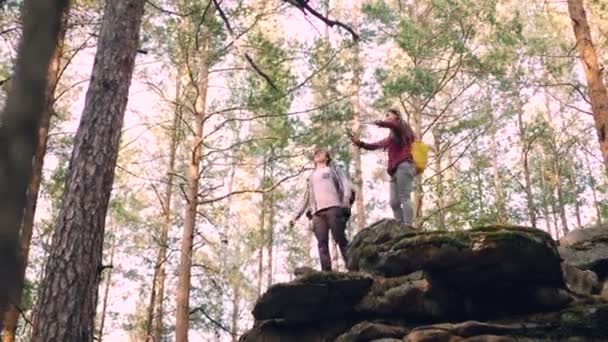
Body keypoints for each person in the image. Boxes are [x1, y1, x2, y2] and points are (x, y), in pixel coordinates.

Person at [289, 149, 354, 271]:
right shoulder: (311, 177)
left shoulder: (333, 170)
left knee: (340, 238)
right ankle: (326, 273)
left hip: (334, 208)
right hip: (317, 213)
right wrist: (295, 216)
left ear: (328, 157)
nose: (317, 154)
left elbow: (346, 185)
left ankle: (352, 267)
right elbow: (305, 198)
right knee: (322, 244)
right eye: (315, 154)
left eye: (321, 153)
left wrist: (345, 201)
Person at [349, 108, 416, 226]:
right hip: (394, 171)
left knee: (404, 197)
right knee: (394, 202)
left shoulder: (401, 128)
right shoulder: (391, 138)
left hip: (404, 166)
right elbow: (375, 145)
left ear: (397, 116)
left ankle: (408, 226)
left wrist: (378, 122)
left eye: (388, 115)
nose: (386, 117)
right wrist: (360, 144)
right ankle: (400, 228)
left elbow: (392, 125)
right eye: (385, 116)